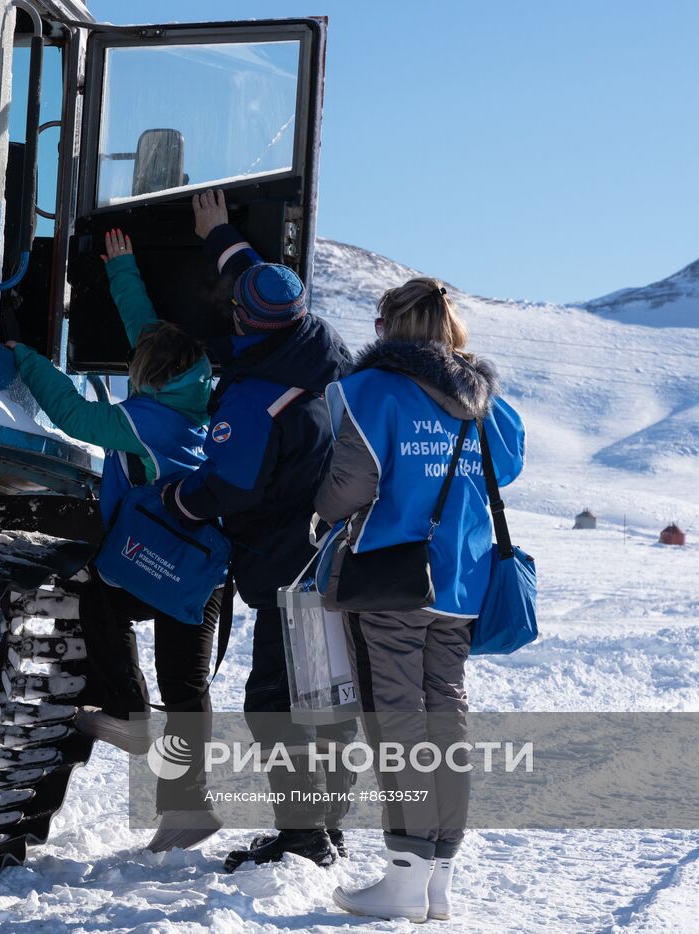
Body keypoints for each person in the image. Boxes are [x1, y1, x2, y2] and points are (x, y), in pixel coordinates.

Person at [2, 229, 226, 853]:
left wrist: (23, 355)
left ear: (147, 376)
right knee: (186, 687)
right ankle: (189, 806)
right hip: (203, 571)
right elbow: (148, 332)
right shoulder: (196, 395)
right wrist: (122, 266)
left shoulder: (143, 421)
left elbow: (73, 414)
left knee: (98, 591)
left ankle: (128, 712)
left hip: (154, 564)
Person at [313, 278, 524, 922]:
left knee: (396, 720)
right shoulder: (490, 403)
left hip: (393, 581)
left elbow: (348, 485)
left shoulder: (370, 390)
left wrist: (319, 512)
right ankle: (437, 880)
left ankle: (404, 879)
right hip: (462, 583)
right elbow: (506, 469)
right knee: (445, 720)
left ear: (389, 326)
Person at [159, 190, 353, 871]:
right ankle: (324, 828)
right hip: (333, 556)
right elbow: (262, 282)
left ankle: (303, 838)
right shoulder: (320, 351)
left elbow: (227, 487)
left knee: (276, 699)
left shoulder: (252, 399)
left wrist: (177, 499)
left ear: (247, 321)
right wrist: (220, 235)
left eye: (235, 304)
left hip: (284, 563)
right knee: (325, 696)